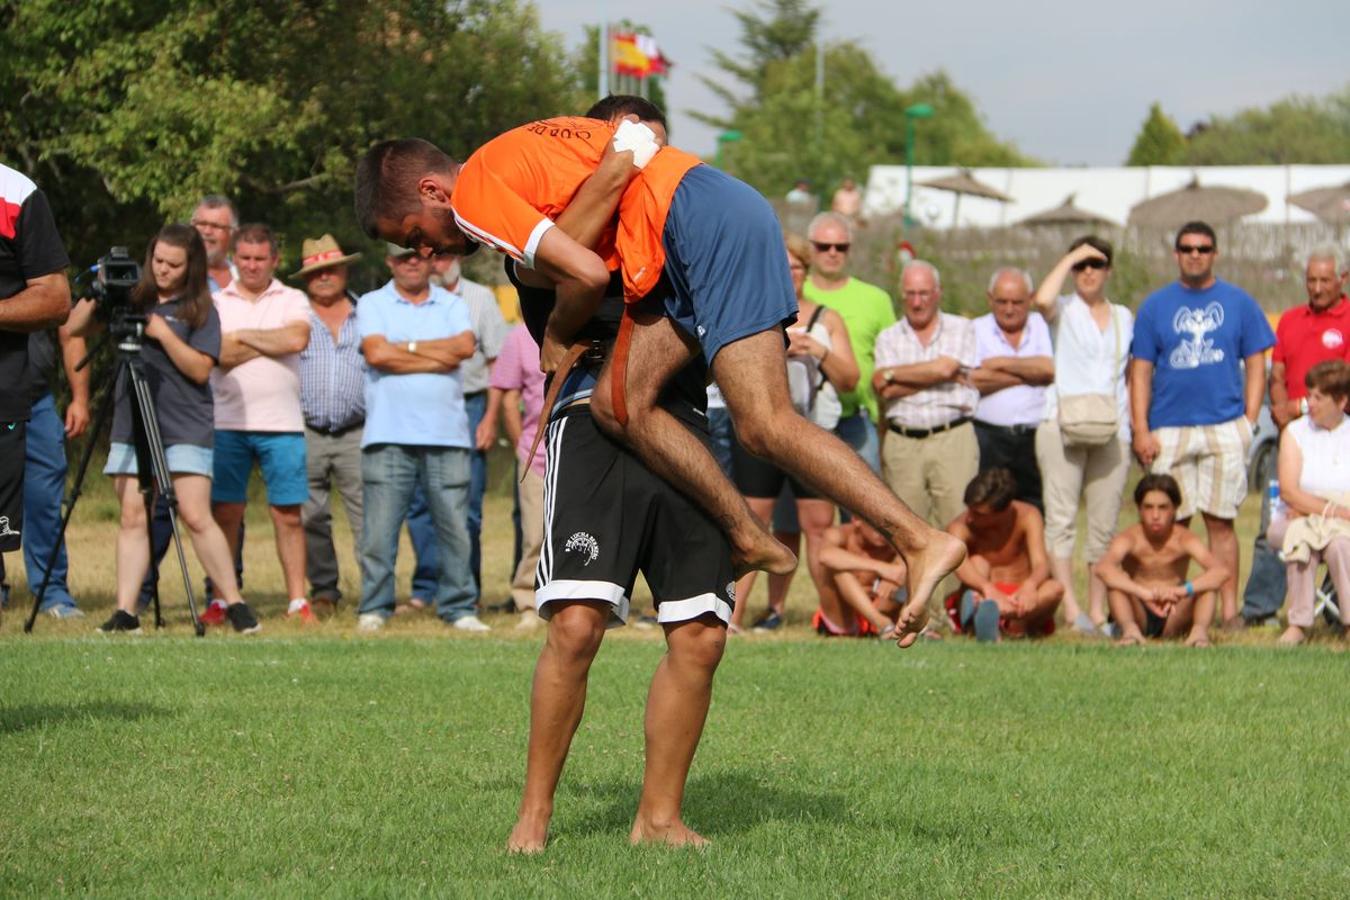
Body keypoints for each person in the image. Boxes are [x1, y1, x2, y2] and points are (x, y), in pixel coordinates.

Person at [353, 101, 965, 648]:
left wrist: (559, 332)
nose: (427, 254)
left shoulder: (474, 194)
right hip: (703, 220)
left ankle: (916, 539)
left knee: (763, 423)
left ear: (433, 192)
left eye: (416, 236)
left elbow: (586, 274)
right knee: (621, 404)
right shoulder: (511, 157)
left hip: (695, 221)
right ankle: (748, 535)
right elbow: (608, 176)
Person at [492, 94, 739, 852]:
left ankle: (658, 820)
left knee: (700, 634)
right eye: (630, 147)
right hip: (592, 421)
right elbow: (571, 288)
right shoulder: (542, 227)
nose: (645, 163)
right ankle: (533, 816)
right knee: (575, 623)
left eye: (654, 149)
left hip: (685, 422)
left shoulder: (689, 221)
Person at [67, 224, 258, 633]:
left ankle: (236, 604)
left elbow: (200, 368)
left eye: (174, 264)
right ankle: (126, 611)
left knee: (194, 514)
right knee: (133, 516)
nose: (164, 270)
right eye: (158, 261)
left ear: (190, 267)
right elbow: (75, 327)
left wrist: (162, 332)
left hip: (185, 422)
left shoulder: (200, 309)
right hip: (131, 417)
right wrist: (100, 291)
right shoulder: (134, 296)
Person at [1129, 221, 1274, 630]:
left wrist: (1248, 420)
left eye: (1203, 248)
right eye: (1188, 248)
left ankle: (1228, 614)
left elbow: (1257, 361)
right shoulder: (1156, 306)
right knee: (1169, 524)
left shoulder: (1239, 302)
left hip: (1223, 424)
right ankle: (1168, 612)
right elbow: (1140, 370)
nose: (1196, 254)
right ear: (1176, 254)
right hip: (1168, 426)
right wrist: (1140, 428)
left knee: (1221, 521)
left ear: (1215, 253)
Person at [728, 234, 859, 633]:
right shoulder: (751, 313)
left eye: (797, 267)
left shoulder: (827, 318)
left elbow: (851, 379)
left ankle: (832, 618)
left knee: (818, 525)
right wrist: (774, 351)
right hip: (761, 431)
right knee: (753, 524)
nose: (790, 274)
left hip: (811, 432)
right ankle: (730, 617)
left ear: (807, 271)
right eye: (782, 267)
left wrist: (817, 351)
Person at [354, 244, 482, 631]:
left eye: (418, 256)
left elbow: (463, 347)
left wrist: (402, 349)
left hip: (448, 433)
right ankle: (375, 607)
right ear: (390, 262)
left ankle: (459, 607)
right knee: (379, 529)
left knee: (455, 527)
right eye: (402, 257)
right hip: (387, 432)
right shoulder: (372, 303)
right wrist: (433, 356)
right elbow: (376, 354)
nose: (411, 262)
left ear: (430, 261)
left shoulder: (451, 302)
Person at [137, 194, 244, 610]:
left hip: (195, 418)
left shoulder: (213, 296)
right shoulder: (143, 295)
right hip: (146, 418)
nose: (207, 232)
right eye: (201, 224)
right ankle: (138, 599)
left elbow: (206, 364)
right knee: (145, 516)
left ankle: (226, 599)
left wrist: (164, 333)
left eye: (216, 226)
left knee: (206, 513)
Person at [207, 223, 314, 625]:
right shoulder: (216, 302)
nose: (252, 266)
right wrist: (268, 339)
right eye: (245, 258)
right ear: (235, 259)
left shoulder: (293, 297)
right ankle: (223, 599)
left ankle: (296, 601)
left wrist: (242, 338)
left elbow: (296, 340)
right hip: (227, 421)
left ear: (274, 260)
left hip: (283, 424)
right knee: (225, 512)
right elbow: (217, 352)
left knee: (287, 513)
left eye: (260, 258)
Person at [1032, 236, 1134, 636]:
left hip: (1114, 425)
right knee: (1061, 520)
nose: (1088, 272)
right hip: (1061, 423)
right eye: (1081, 265)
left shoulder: (1125, 316)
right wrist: (1071, 255)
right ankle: (1072, 609)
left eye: (1097, 264)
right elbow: (1041, 300)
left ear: (1109, 270)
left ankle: (1098, 609)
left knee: (1103, 524)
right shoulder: (1064, 310)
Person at [1244, 248, 1350, 626]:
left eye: (1325, 280)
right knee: (1273, 522)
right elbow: (1278, 374)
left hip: (1335, 440)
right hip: (1294, 438)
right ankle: (1260, 608)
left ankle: (1337, 614)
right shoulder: (1289, 320)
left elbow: (1344, 387)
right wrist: (1282, 413)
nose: (1317, 288)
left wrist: (1300, 407)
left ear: (1343, 279)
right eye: (1311, 280)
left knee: (1339, 535)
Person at [872, 260, 980, 630]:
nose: (917, 302)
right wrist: (935, 372)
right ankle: (924, 616)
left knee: (957, 524)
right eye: (911, 294)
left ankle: (954, 608)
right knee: (909, 529)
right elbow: (881, 386)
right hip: (904, 440)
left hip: (953, 434)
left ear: (937, 294)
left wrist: (897, 375)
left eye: (924, 293)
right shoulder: (889, 336)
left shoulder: (961, 327)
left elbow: (946, 368)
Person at [0, 163, 71, 594]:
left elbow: (55, 298)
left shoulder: (16, 192)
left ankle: (51, 593)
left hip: (5, 394)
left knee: (42, 497)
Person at [295, 234, 365, 614]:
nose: (324, 277)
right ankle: (324, 590)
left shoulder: (367, 311)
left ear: (344, 270)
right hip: (307, 430)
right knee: (311, 515)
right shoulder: (295, 315)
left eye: (331, 269)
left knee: (365, 515)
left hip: (358, 430)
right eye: (315, 272)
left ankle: (373, 592)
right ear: (306, 278)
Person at [802, 211, 894, 474]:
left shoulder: (876, 299)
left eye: (840, 247)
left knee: (864, 507)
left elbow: (890, 361)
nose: (832, 253)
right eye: (823, 246)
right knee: (807, 511)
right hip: (803, 419)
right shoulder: (793, 292)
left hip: (857, 417)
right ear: (810, 249)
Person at [1266, 360, 1350, 645]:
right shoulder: (1295, 432)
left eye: (1317, 397)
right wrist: (1334, 510)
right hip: (1296, 519)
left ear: (1341, 401)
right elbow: (1289, 492)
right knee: (1300, 538)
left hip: (1336, 523)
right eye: (1308, 395)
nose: (1308, 403)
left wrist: (1314, 507)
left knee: (1340, 545)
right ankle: (1298, 624)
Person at [1094, 473, 1227, 647]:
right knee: (1116, 584)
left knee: (1207, 586)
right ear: (1139, 509)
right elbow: (1103, 569)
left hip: (1174, 611)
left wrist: (1182, 591)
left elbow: (1221, 572)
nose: (1155, 515)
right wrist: (1143, 593)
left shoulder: (1184, 538)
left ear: (1175, 509)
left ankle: (1199, 634)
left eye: (1163, 507)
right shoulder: (1130, 537)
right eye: (1148, 507)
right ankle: (1130, 632)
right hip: (1138, 610)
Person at [477, 321, 546, 630]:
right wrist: (524, 448)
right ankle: (528, 602)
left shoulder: (588, 326)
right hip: (538, 453)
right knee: (535, 535)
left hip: (583, 453)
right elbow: (508, 398)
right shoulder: (519, 336)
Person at [19, 327, 90, 618]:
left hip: (36, 402)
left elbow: (70, 332)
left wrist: (81, 399)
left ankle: (52, 592)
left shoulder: (45, 281)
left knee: (44, 498)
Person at [946, 468, 1062, 642]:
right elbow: (959, 565)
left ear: (1004, 510)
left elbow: (1041, 563)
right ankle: (985, 615)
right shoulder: (960, 526)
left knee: (1055, 588)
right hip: (984, 592)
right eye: (969, 509)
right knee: (977, 562)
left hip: (1020, 597)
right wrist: (989, 589)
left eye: (979, 514)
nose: (969, 517)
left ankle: (1006, 623)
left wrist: (1030, 587)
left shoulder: (1028, 515)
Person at [970, 267, 1053, 509]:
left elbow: (1051, 369)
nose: (1009, 309)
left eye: (1017, 302)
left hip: (1035, 437)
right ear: (989, 298)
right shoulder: (975, 329)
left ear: (1031, 297)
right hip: (989, 437)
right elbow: (974, 380)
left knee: (1036, 507)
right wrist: (1029, 375)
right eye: (1001, 301)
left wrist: (1000, 363)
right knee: (989, 506)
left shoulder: (1044, 325)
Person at [815, 519, 907, 638]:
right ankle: (881, 623)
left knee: (906, 569)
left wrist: (895, 574)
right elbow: (825, 555)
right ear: (856, 520)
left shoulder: (894, 542)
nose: (881, 532)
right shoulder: (840, 534)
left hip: (881, 608)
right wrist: (881, 568)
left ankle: (900, 626)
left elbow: (914, 560)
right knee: (838, 567)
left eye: (886, 527)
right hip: (843, 616)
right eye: (876, 525)